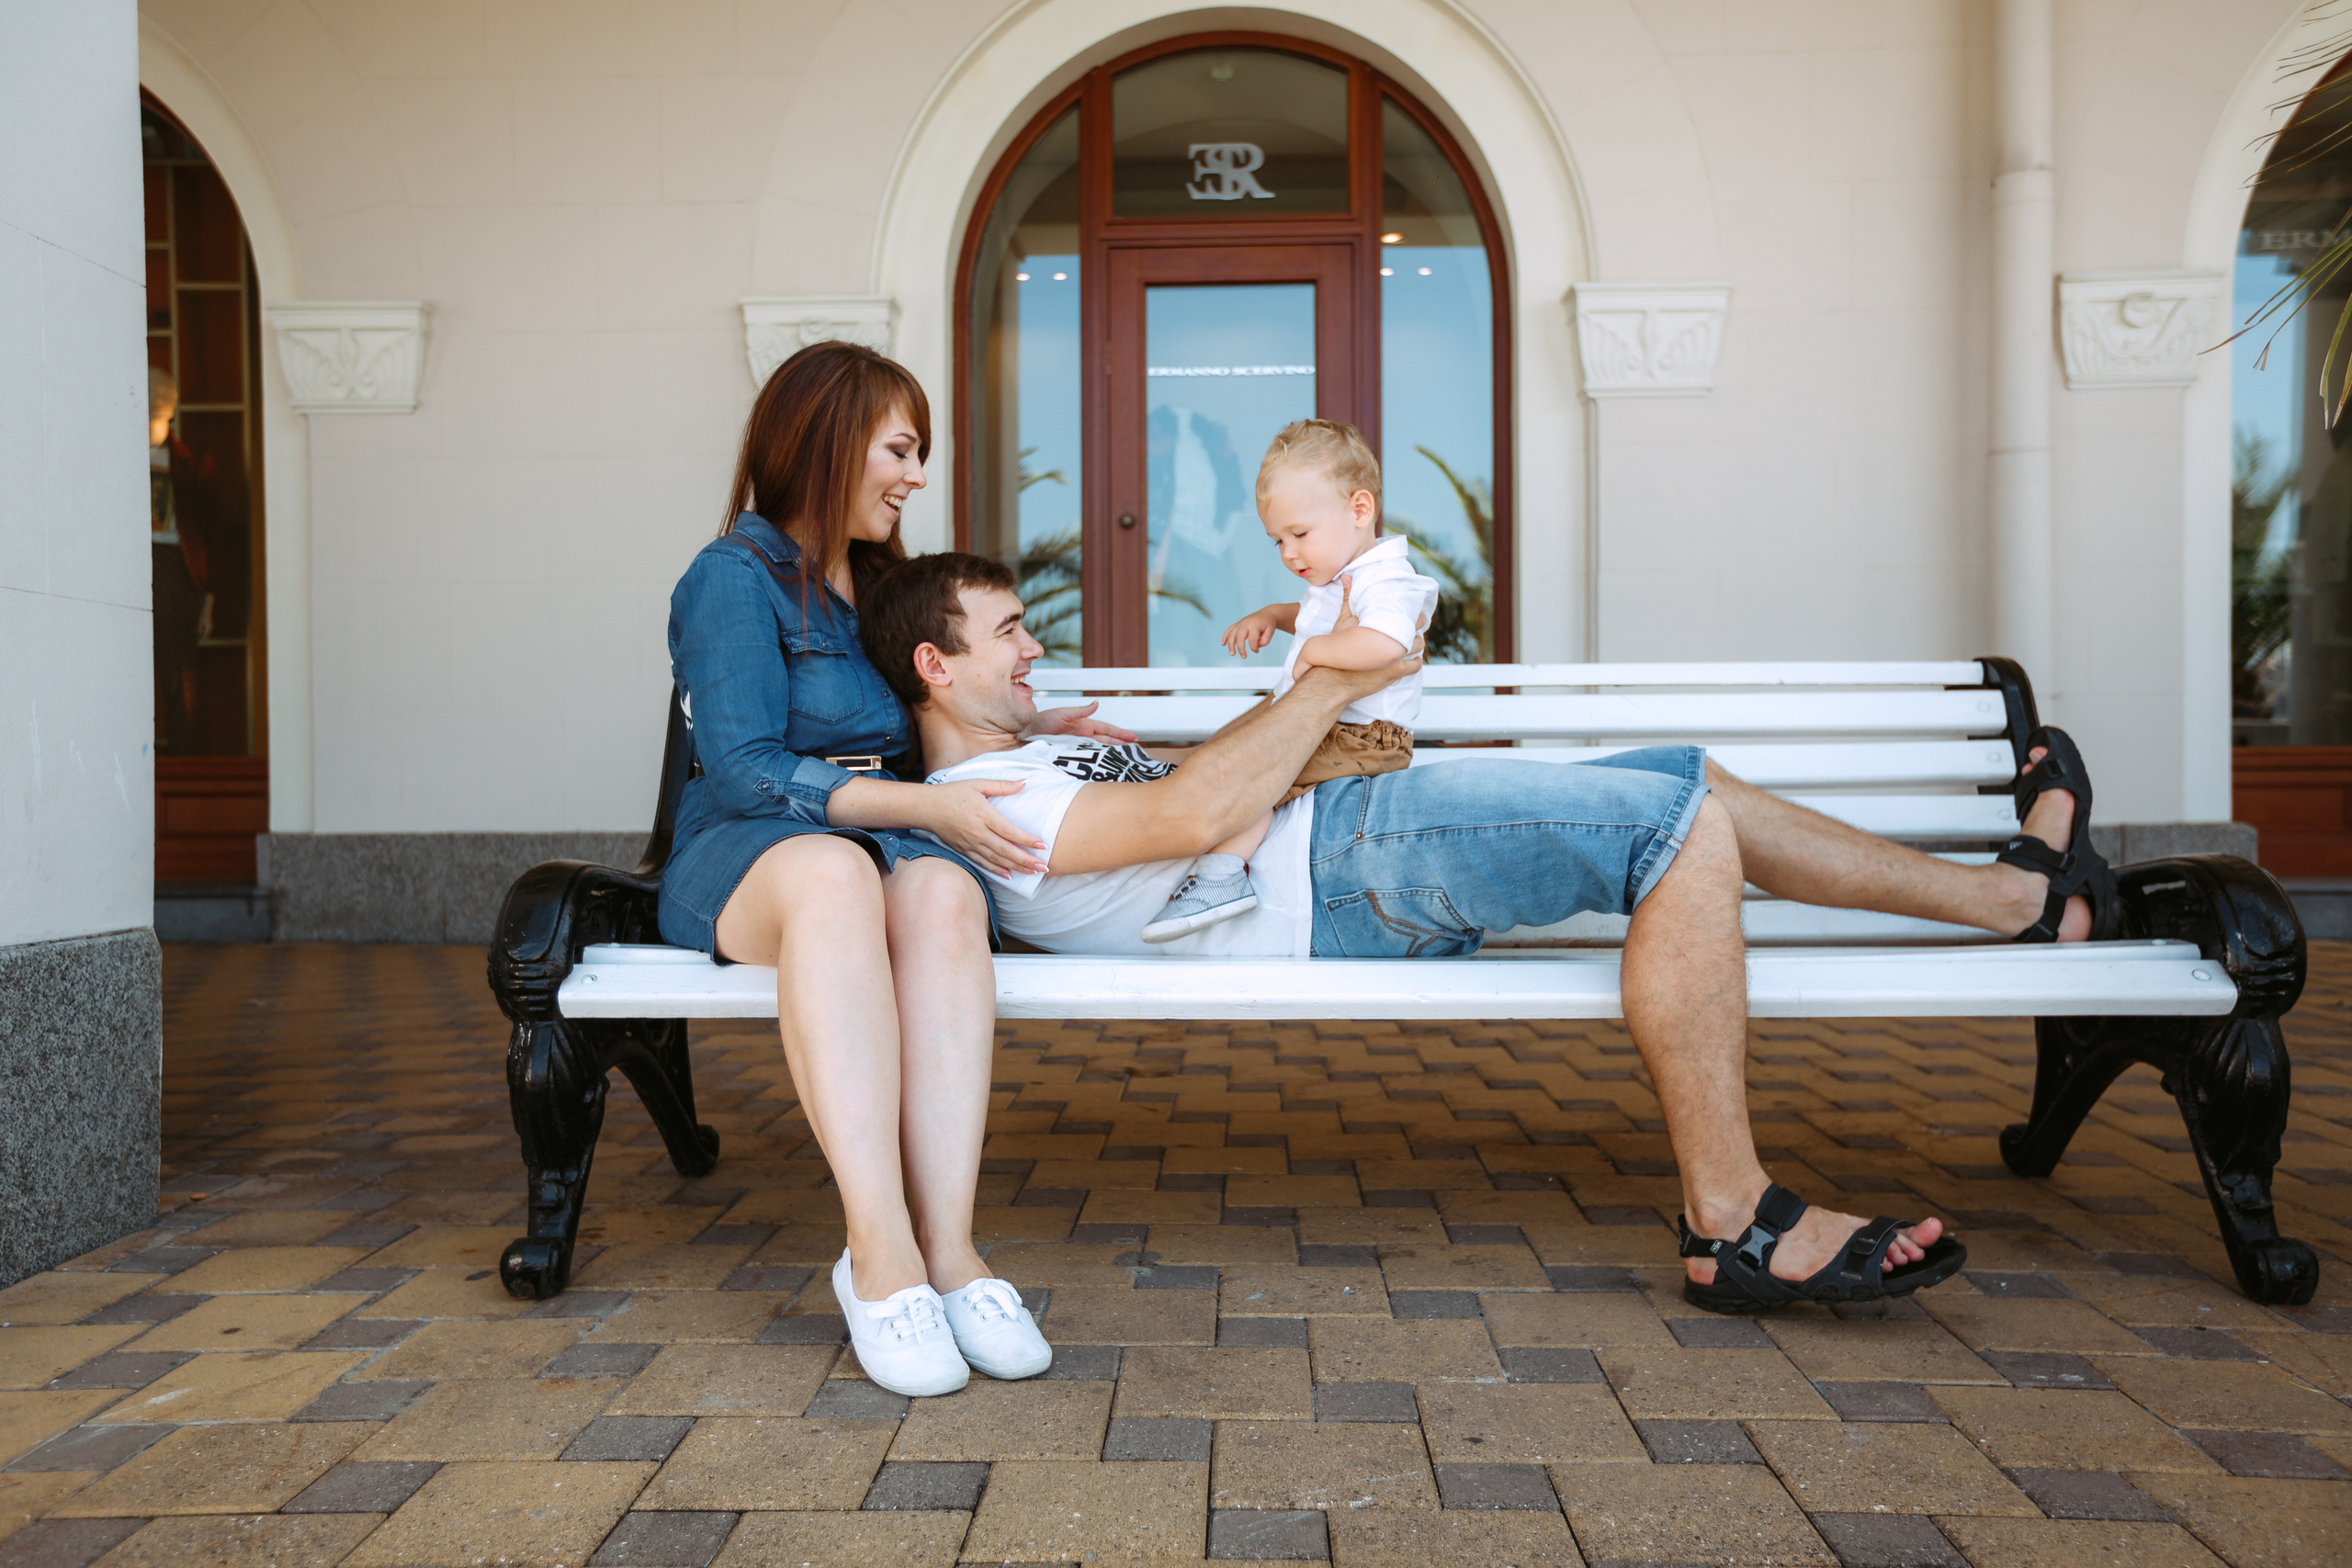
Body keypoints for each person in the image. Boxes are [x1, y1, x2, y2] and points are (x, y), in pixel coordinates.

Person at [861, 550, 2120, 1314]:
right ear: (935, 664)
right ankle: (1732, 1216)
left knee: (1688, 775)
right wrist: (1329, 678)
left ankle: (2014, 897)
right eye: (1008, 631)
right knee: (1671, 826)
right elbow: (1199, 810)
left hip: (1349, 825)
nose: (1035, 645)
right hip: (1346, 872)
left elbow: (1212, 784)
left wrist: (1252, 723)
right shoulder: (986, 797)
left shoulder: (1037, 749)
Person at [659, 343, 1133, 1393]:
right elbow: (741, 770)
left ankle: (952, 1251)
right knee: (835, 875)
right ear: (827, 442)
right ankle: (878, 1253)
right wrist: (925, 804)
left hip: (883, 838)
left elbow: (924, 716)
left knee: (939, 891)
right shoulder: (732, 579)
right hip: (746, 853)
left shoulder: (874, 584)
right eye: (901, 449)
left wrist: (1023, 721)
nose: (916, 476)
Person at [1142, 419, 1438, 944]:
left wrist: (1316, 652)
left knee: (1258, 775)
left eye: (1299, 534)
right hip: (1329, 723)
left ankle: (1222, 878)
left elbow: (1387, 643)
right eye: (1277, 540)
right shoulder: (1344, 573)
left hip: (1360, 737)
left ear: (1360, 509)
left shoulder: (1386, 579)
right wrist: (1273, 618)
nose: (1288, 553)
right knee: (1232, 753)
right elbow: (1312, 617)